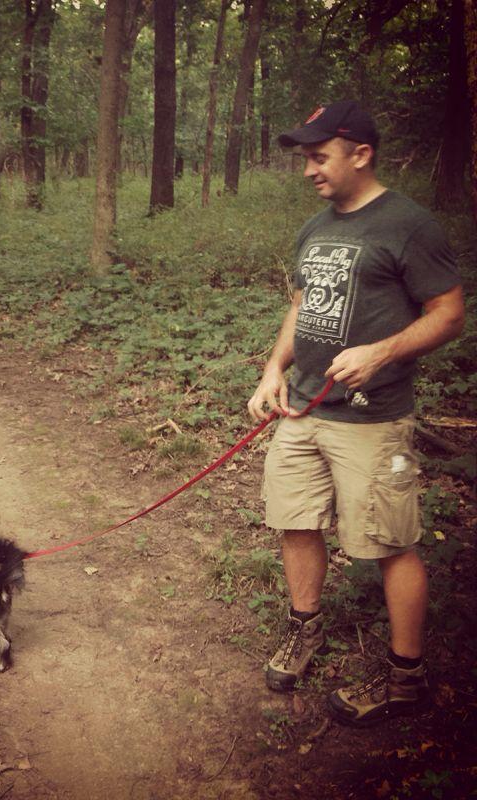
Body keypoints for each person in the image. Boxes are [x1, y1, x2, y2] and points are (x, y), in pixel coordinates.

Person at [247, 101, 464, 726]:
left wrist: (381, 351)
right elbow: (301, 307)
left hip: (373, 420)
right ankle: (305, 629)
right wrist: (273, 370)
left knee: (391, 543)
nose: (308, 170)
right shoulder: (315, 228)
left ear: (360, 153)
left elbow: (449, 313)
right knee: (295, 520)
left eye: (319, 157)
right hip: (304, 410)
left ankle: (405, 677)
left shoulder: (410, 225)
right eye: (306, 159)